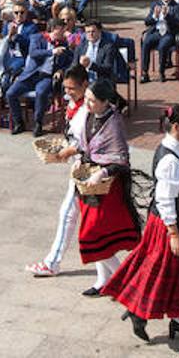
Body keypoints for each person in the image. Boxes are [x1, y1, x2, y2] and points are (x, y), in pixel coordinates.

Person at [102, 103, 179, 343]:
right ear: (176, 127)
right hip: (171, 221)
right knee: (163, 270)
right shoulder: (170, 160)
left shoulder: (173, 148)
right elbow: (165, 198)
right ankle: (139, 311)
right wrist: (173, 233)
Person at [68, 77, 140, 297]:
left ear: (104, 101)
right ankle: (103, 281)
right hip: (89, 184)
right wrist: (81, 157)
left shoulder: (114, 122)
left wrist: (102, 172)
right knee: (96, 236)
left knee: (92, 235)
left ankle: (124, 279)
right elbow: (84, 144)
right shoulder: (89, 115)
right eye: (86, 99)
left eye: (91, 100)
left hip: (107, 187)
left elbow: (120, 159)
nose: (87, 104)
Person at [27, 64, 89, 278]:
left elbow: (87, 143)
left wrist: (63, 153)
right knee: (78, 217)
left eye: (72, 88)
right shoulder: (74, 104)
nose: (67, 92)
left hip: (88, 168)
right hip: (81, 165)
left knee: (70, 215)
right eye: (66, 87)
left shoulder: (88, 109)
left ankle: (52, 263)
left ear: (85, 85)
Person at [9, 19, 72, 137]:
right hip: (30, 75)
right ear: (55, 29)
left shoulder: (64, 44)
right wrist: (52, 52)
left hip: (46, 76)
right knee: (10, 93)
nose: (64, 32)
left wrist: (61, 70)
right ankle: (19, 122)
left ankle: (38, 122)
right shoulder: (37, 38)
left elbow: (69, 61)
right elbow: (33, 53)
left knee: (41, 92)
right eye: (62, 29)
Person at [140, 0, 179, 83]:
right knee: (146, 42)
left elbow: (177, 25)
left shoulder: (176, 6)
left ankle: (161, 71)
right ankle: (144, 73)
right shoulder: (155, 4)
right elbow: (147, 22)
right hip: (156, 32)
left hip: (168, 33)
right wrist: (154, 16)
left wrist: (167, 16)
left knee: (163, 45)